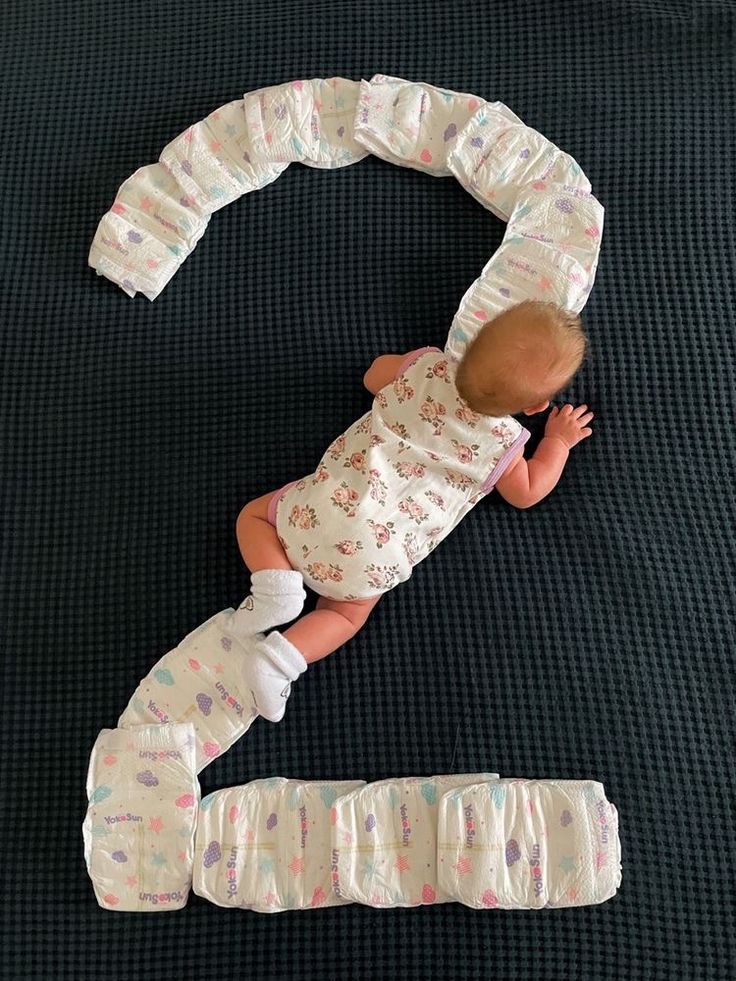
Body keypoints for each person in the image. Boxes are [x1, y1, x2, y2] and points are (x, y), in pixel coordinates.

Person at [233, 299, 594, 721]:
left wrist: (401, 368)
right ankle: (280, 659)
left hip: (322, 507)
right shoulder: (504, 447)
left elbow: (372, 376)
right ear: (535, 408)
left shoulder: (427, 367)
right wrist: (557, 443)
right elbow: (528, 491)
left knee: (254, 517)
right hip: (372, 560)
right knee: (344, 616)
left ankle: (276, 585)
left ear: (472, 340)